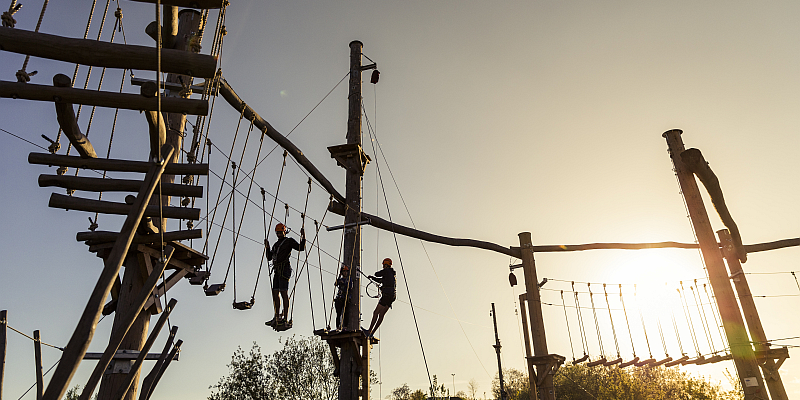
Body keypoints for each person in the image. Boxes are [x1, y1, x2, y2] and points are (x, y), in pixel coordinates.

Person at [265, 222, 305, 328]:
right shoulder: (276, 245)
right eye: (277, 233)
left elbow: (301, 248)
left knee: (283, 293)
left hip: (284, 269)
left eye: (280, 232)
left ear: (284, 231)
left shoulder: (289, 241)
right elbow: (269, 257)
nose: (278, 234)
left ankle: (285, 318)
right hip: (277, 270)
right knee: (275, 293)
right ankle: (277, 316)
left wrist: (303, 237)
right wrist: (267, 248)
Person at [365, 258, 396, 337]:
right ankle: (372, 333)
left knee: (376, 313)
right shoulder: (392, 274)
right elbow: (381, 280)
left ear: (385, 265)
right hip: (392, 296)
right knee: (381, 315)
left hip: (386, 296)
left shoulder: (386, 271)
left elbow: (377, 274)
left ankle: (369, 331)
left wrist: (373, 276)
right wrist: (372, 278)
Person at [333, 264, 355, 332]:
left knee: (346, 313)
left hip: (346, 298)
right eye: (344, 271)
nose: (345, 273)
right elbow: (335, 284)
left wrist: (344, 284)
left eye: (346, 271)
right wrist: (339, 277)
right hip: (340, 298)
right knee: (338, 313)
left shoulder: (349, 279)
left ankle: (345, 327)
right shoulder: (340, 279)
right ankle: (337, 326)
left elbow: (350, 287)